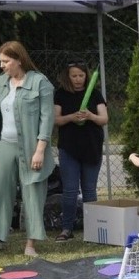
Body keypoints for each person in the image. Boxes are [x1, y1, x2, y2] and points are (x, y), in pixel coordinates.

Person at [0, 41, 56, 259]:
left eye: (6, 61)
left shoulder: (39, 82)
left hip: (31, 148)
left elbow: (47, 119)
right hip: (4, 145)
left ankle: (30, 244)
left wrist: (40, 150)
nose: (2, 65)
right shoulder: (0, 82)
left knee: (32, 194)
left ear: (19, 60)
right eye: (0, 62)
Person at [53, 60, 108, 241]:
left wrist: (90, 116)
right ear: (67, 77)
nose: (78, 79)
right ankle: (66, 229)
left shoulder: (95, 94)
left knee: (89, 190)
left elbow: (104, 118)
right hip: (68, 148)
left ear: (87, 76)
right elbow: (57, 120)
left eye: (81, 76)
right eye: (74, 76)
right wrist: (71, 117)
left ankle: (92, 229)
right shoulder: (61, 94)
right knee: (69, 190)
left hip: (91, 147)